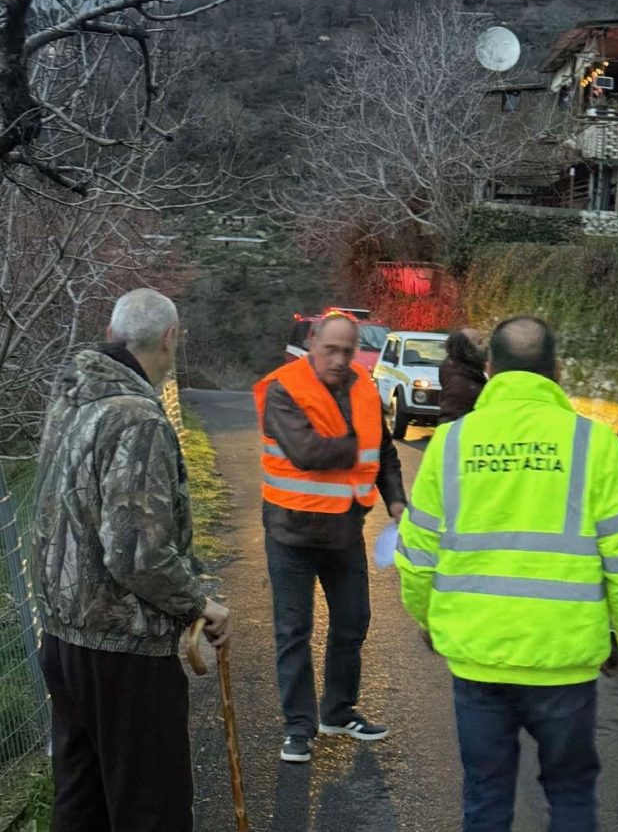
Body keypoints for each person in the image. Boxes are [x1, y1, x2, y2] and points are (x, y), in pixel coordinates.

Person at [396, 316, 618, 832]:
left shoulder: (449, 444)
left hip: (478, 659)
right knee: (569, 794)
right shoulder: (596, 445)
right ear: (557, 371)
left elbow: (416, 552)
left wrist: (427, 617)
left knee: (486, 797)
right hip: (565, 662)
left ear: (491, 369)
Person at [32, 288, 231, 832]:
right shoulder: (137, 419)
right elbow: (136, 553)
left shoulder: (73, 400)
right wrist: (200, 603)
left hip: (64, 635)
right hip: (125, 648)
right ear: (169, 339)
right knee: (152, 807)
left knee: (81, 801)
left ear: (115, 335)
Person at [254, 313, 406, 763]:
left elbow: (385, 452)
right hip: (291, 533)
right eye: (331, 350)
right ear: (311, 344)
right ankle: (299, 728)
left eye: (348, 350)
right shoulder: (282, 388)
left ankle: (338, 712)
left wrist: (395, 499)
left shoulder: (364, 385)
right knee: (293, 631)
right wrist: (359, 441)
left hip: (343, 531)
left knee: (353, 623)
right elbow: (308, 453)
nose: (340, 359)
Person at [438, 327, 487, 424]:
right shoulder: (460, 385)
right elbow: (451, 421)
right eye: (480, 342)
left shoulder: (470, 373)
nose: (485, 345)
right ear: (467, 350)